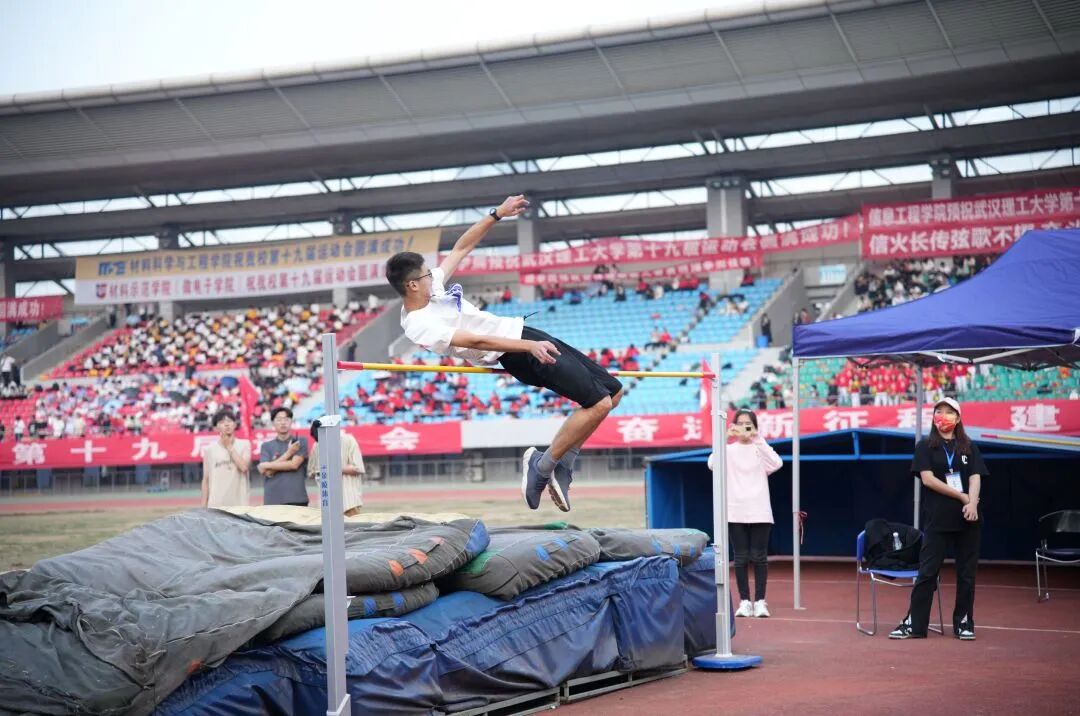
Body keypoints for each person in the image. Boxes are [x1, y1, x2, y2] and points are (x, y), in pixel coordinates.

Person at [387, 194, 623, 513]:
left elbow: (461, 248)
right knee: (599, 403)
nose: (434, 275)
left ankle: (563, 463)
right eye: (427, 274)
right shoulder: (418, 324)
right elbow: (478, 341)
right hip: (515, 352)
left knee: (614, 392)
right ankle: (542, 467)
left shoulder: (433, 289)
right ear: (413, 285)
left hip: (524, 333)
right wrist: (527, 347)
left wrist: (497, 214)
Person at [891, 398, 987, 641]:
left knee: (967, 574)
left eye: (948, 412)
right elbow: (928, 479)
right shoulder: (925, 446)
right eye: (938, 411)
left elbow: (976, 477)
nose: (942, 416)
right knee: (927, 572)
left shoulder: (969, 447)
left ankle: (964, 623)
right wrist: (962, 497)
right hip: (938, 519)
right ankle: (915, 625)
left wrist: (972, 503)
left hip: (968, 519)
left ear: (958, 417)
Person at [708, 409, 783, 618]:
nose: (744, 428)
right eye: (739, 424)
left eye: (748, 424)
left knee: (759, 557)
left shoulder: (760, 448)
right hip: (735, 509)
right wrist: (724, 437)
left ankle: (760, 601)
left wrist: (757, 437)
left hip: (759, 508)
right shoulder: (728, 450)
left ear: (755, 426)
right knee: (740, 558)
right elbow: (712, 464)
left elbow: (777, 463)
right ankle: (744, 601)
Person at [307, 421, 365, 516]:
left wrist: (333, 468)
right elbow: (311, 472)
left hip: (348, 502)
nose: (322, 442)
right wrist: (319, 473)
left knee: (352, 526)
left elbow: (358, 468)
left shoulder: (348, 440)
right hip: (327, 503)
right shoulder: (316, 445)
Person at [257, 407, 310, 507]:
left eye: (286, 419)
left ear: (291, 421)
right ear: (273, 423)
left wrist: (267, 465)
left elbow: (294, 465)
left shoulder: (299, 442)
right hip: (273, 500)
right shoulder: (266, 446)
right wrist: (289, 453)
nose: (283, 422)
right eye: (279, 419)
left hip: (297, 498)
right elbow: (267, 472)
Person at [200, 410, 251, 508]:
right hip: (216, 503)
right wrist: (203, 506)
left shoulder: (245, 444)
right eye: (222, 422)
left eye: (230, 421)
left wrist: (229, 446)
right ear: (215, 428)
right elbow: (206, 480)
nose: (227, 424)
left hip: (239, 503)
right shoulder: (209, 450)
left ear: (235, 425)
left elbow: (244, 467)